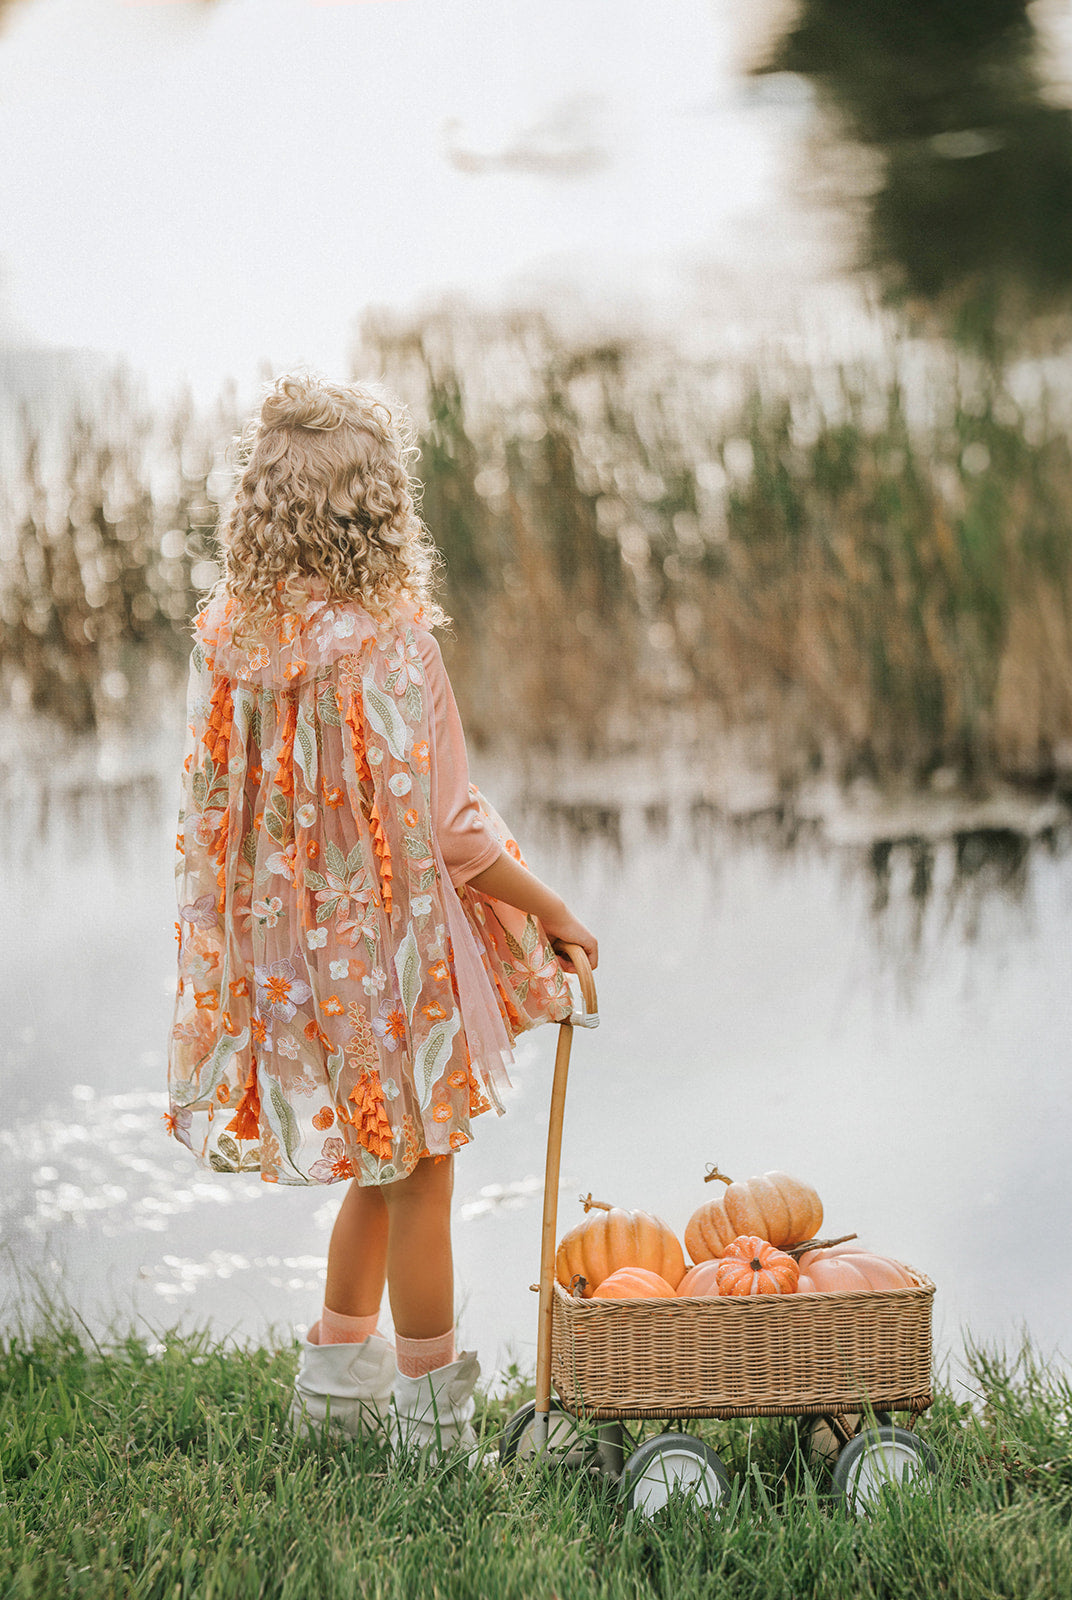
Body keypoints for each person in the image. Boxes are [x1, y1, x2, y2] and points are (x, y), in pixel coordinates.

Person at [167, 371, 597, 1458]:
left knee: (377, 1160)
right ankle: (432, 1427)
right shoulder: (393, 642)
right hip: (393, 960)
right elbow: (451, 828)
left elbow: (232, 810)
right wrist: (550, 907)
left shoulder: (235, 645)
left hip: (297, 959)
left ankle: (330, 1395)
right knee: (422, 1172)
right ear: (379, 508)